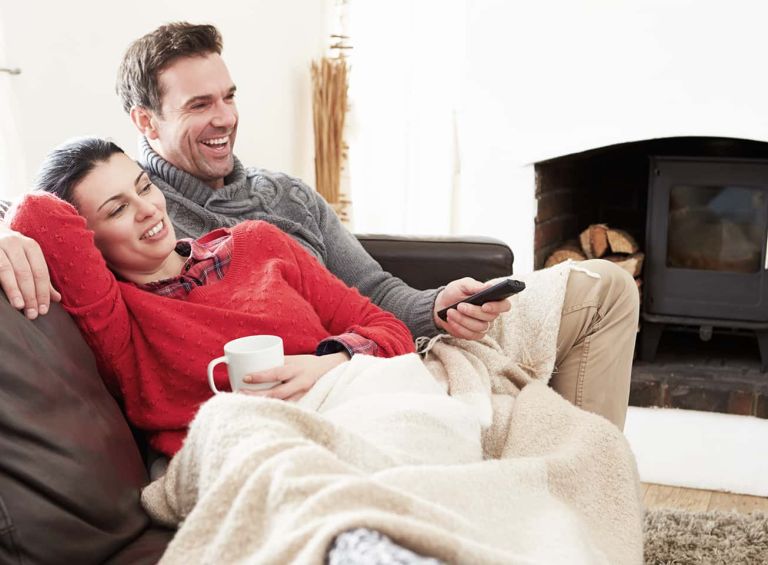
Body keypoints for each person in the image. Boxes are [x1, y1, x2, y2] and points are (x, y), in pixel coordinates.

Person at [0, 22, 639, 430]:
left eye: (229, 96)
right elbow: (52, 209)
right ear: (145, 123)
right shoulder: (138, 221)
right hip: (306, 403)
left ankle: (578, 486)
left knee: (606, 288)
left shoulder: (282, 201)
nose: (224, 118)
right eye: (199, 105)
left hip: (385, 349)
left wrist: (440, 305)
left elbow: (378, 294)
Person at [9, 137, 415, 457]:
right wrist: (4, 233)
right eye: (117, 210)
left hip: (351, 404)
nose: (148, 209)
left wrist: (327, 364)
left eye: (144, 187)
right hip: (256, 453)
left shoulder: (260, 242)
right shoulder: (119, 322)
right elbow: (36, 213)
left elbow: (390, 330)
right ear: (88, 242)